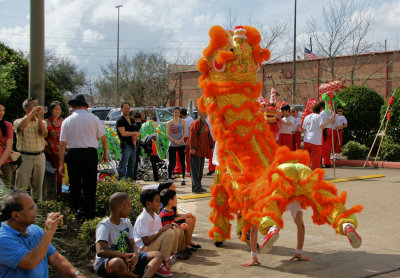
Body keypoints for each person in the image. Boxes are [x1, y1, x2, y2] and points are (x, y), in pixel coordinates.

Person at [0, 190, 86, 277]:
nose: (36, 210)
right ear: (16, 215)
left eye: (35, 206)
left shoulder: (35, 230)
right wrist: (49, 231)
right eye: (31, 208)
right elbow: (30, 262)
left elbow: (55, 258)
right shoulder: (2, 238)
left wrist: (76, 274)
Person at [59, 94, 108, 220]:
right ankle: (90, 214)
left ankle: (79, 209)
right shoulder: (94, 119)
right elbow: (103, 138)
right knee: (90, 186)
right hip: (90, 153)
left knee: (74, 184)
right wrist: (105, 153)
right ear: (84, 106)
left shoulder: (67, 120)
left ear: (73, 106)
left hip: (74, 153)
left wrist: (60, 163)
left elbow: (62, 143)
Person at [94, 192, 163, 278]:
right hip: (107, 263)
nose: (130, 208)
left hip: (126, 258)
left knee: (158, 255)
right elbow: (101, 251)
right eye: (129, 205)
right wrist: (125, 256)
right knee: (117, 263)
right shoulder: (104, 226)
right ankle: (135, 276)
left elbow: (132, 243)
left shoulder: (126, 222)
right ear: (119, 206)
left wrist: (135, 255)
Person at [241, 201, 310, 267]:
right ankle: (298, 252)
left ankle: (272, 229)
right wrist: (298, 252)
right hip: (291, 196)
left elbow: (254, 229)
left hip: (274, 196)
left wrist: (254, 256)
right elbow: (301, 227)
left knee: (257, 222)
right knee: (300, 224)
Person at [133, 189, 176, 277]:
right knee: (169, 232)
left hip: (152, 246)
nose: (160, 203)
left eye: (159, 201)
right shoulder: (142, 218)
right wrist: (162, 230)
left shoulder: (156, 217)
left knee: (173, 231)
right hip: (143, 250)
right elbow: (146, 241)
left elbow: (160, 236)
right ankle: (160, 264)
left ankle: (162, 262)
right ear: (148, 203)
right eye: (157, 201)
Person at [13, 98, 47, 201]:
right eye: (32, 105)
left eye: (37, 105)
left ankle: (38, 209)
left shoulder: (42, 122)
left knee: (38, 185)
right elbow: (21, 128)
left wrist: (40, 117)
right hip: (25, 156)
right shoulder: (18, 121)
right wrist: (31, 114)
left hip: (39, 156)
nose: (35, 107)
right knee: (21, 186)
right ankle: (19, 206)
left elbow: (43, 133)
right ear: (25, 108)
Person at [158, 181, 201, 250]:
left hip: (173, 219)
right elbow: (170, 219)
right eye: (172, 187)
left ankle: (189, 241)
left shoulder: (172, 198)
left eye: (175, 187)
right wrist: (184, 217)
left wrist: (186, 215)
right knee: (188, 221)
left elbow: (176, 214)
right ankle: (186, 244)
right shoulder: (164, 201)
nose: (175, 189)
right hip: (169, 223)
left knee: (192, 217)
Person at [159, 189, 191, 260]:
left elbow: (173, 222)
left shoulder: (171, 211)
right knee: (179, 231)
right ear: (170, 201)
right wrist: (179, 227)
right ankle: (175, 252)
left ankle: (180, 250)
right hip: (167, 235)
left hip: (172, 230)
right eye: (175, 198)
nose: (177, 200)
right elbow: (166, 227)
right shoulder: (164, 214)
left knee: (181, 230)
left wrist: (180, 225)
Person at [302, 103, 333, 170]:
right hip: (315, 141)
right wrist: (329, 121)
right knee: (315, 160)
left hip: (306, 140)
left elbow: (304, 129)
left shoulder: (306, 117)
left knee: (306, 160)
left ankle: (304, 174)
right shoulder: (318, 117)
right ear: (320, 109)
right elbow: (322, 126)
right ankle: (315, 176)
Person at [189, 111, 214, 193]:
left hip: (202, 151)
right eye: (204, 113)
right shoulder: (195, 123)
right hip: (196, 151)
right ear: (199, 113)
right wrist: (193, 147)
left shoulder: (205, 124)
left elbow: (209, 136)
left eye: (206, 113)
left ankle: (198, 186)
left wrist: (211, 146)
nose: (206, 114)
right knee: (195, 170)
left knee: (200, 170)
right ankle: (195, 187)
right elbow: (192, 135)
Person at [116, 103, 140, 180]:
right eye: (125, 108)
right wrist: (134, 133)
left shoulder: (132, 120)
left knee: (131, 166)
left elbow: (136, 130)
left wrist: (136, 134)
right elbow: (123, 133)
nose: (127, 110)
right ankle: (121, 183)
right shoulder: (120, 120)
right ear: (121, 109)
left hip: (133, 145)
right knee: (123, 166)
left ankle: (130, 184)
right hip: (126, 145)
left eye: (128, 108)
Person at [44, 101, 63, 195]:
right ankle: (51, 193)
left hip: (60, 152)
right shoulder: (46, 122)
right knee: (51, 173)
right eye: (56, 109)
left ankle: (59, 193)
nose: (58, 111)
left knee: (60, 174)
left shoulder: (62, 121)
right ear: (51, 110)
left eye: (59, 109)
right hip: (50, 152)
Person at [166, 107, 186, 185]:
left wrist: (180, 140)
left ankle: (183, 178)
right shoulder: (169, 123)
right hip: (172, 144)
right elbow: (167, 134)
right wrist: (174, 141)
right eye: (175, 112)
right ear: (172, 113)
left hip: (181, 144)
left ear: (179, 113)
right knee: (171, 162)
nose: (176, 114)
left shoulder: (183, 121)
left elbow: (184, 132)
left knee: (182, 161)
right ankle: (169, 177)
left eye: (178, 112)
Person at [173, 108, 194, 178]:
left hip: (186, 138)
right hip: (183, 138)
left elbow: (191, 131)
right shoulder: (191, 119)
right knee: (181, 155)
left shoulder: (186, 120)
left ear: (181, 114)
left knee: (184, 155)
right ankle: (185, 170)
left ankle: (183, 170)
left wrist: (188, 141)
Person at [0, 103, 14, 186]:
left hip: (5, 162)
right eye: (0, 110)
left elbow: (9, 147)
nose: (1, 113)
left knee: (7, 191)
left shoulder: (7, 125)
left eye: (3, 110)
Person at [321, 102, 336, 168]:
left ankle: (327, 162)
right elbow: (333, 122)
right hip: (331, 130)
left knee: (325, 148)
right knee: (329, 148)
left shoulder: (322, 113)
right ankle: (328, 162)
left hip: (325, 130)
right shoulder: (332, 113)